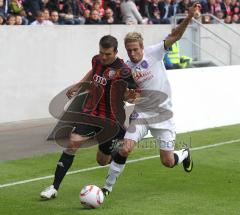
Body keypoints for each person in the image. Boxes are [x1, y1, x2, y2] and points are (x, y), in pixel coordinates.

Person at [102, 2, 199, 196]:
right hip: (142, 114)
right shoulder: (125, 68)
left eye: (135, 49)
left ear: (142, 47)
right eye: (129, 50)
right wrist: (127, 96)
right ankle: (107, 188)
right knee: (125, 149)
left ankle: (184, 153)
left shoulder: (155, 52)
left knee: (167, 161)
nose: (132, 53)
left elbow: (175, 35)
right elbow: (125, 95)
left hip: (163, 114)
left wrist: (188, 17)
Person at [40, 35, 137, 199]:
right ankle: (54, 188)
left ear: (115, 52)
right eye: (101, 53)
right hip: (91, 113)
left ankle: (118, 152)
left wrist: (128, 96)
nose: (103, 57)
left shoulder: (124, 70)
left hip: (111, 119)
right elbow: (93, 72)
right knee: (72, 143)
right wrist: (79, 85)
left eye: (107, 54)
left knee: (102, 160)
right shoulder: (97, 60)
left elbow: (131, 96)